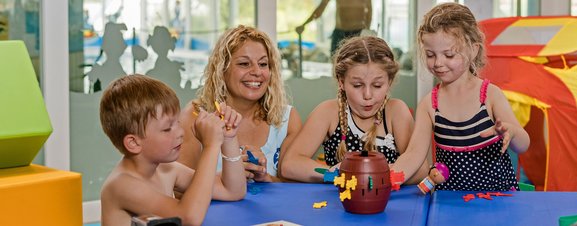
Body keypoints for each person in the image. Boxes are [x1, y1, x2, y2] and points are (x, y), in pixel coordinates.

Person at [390, 3, 530, 191]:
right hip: (449, 204)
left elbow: (523, 145)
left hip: (497, 201)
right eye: (431, 55)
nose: (438, 63)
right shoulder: (429, 105)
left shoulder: (490, 95)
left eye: (448, 55)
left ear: (473, 50)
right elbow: (414, 154)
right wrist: (388, 178)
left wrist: (511, 132)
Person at [99, 74, 246, 226]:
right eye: (167, 128)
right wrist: (211, 146)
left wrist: (228, 138)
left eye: (177, 122)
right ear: (134, 143)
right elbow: (189, 218)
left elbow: (232, 190)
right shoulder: (122, 185)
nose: (181, 132)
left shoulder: (166, 170)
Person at [280, 36, 420, 183]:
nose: (367, 95)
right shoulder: (328, 112)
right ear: (341, 82)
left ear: (389, 81)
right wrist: (335, 174)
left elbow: (420, 171)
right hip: (339, 203)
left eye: (377, 85)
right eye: (357, 85)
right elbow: (290, 165)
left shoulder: (396, 112)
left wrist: (373, 174)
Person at [177, 25, 301, 182]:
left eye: (263, 64)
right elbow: (177, 188)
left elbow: (296, 188)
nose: (257, 72)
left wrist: (266, 178)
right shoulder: (196, 116)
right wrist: (229, 176)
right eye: (244, 64)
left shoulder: (286, 120)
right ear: (222, 69)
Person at [296, 0, 373, 55]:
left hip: (358, 33)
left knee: (357, 64)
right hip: (340, 32)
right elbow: (320, 9)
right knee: (336, 64)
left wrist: (366, 31)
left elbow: (369, 12)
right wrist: (304, 24)